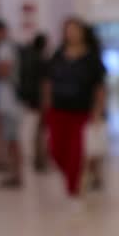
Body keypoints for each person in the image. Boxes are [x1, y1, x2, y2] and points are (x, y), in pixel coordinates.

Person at [43, 17, 106, 200]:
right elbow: (48, 82)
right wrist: (47, 105)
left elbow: (99, 87)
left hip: (81, 111)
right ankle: (73, 180)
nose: (71, 33)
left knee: (76, 151)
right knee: (56, 150)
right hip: (58, 110)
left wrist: (97, 111)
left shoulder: (92, 58)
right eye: (68, 30)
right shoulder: (58, 54)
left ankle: (74, 188)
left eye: (75, 29)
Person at [0, 20, 23, 188]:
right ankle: (13, 172)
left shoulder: (5, 49)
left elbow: (4, 70)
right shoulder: (1, 48)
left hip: (10, 102)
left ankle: (16, 174)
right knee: (8, 139)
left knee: (12, 139)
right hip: (5, 102)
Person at [18, 33, 50, 172]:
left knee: (38, 129)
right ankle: (41, 159)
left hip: (32, 99)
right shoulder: (41, 60)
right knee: (41, 130)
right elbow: (44, 83)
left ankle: (39, 158)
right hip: (40, 99)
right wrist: (46, 100)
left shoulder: (28, 59)